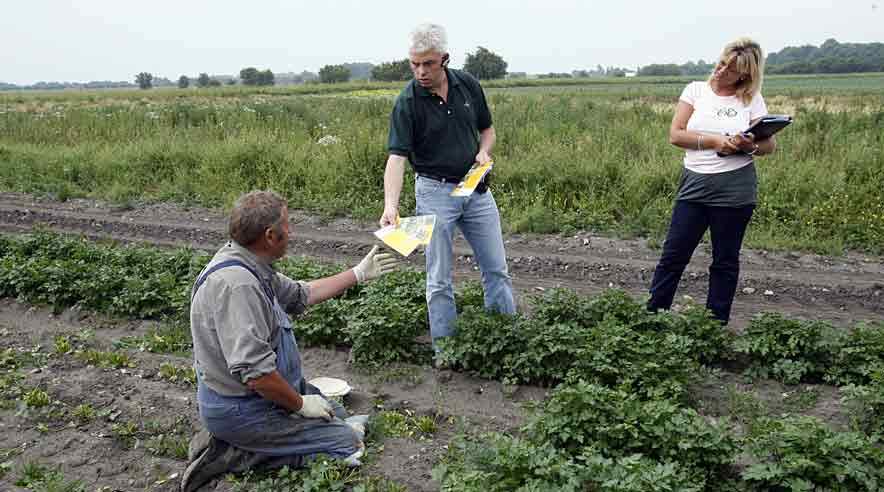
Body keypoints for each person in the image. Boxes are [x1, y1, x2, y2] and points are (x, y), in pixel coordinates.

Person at [181, 190, 398, 491]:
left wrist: (359, 273)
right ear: (271, 235)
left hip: (261, 398)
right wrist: (298, 405)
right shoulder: (238, 286)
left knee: (338, 415)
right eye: (287, 224)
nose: (291, 230)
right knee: (347, 444)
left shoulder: (251, 264)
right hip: (243, 407)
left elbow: (301, 295)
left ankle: (260, 437)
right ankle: (237, 453)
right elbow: (256, 375)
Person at [380, 23, 515, 357]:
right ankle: (447, 351)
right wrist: (390, 206)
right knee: (439, 277)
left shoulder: (467, 85)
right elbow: (396, 158)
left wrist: (484, 152)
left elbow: (487, 130)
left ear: (444, 59)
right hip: (435, 193)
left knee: (496, 269)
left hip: (476, 189)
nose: (420, 71)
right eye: (414, 64)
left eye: (427, 63)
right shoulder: (407, 102)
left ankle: (507, 342)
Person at [647, 37, 777, 325]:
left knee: (725, 262)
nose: (721, 71)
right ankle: (652, 318)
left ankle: (714, 326)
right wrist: (717, 141)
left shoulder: (751, 100)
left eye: (730, 69)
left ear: (745, 74)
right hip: (694, 185)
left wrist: (747, 146)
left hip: (735, 190)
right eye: (721, 63)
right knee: (673, 256)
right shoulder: (695, 91)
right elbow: (676, 135)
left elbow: (769, 146)